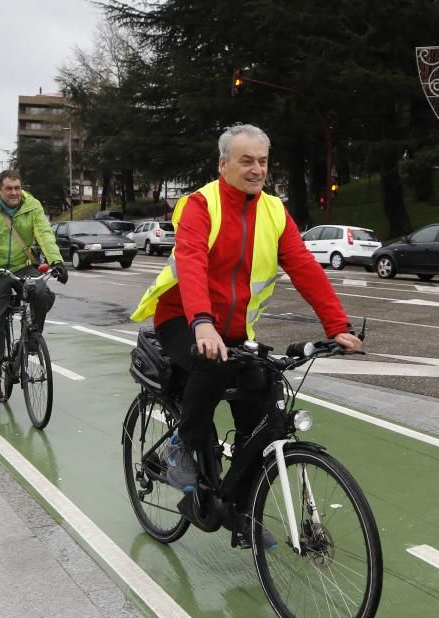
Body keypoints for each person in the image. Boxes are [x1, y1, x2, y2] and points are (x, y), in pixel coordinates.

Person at [131, 123, 361, 492]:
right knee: (213, 364)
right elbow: (191, 264)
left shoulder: (274, 211)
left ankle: (241, 508)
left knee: (266, 392)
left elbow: (304, 267)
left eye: (263, 161)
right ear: (223, 165)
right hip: (182, 319)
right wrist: (202, 324)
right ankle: (181, 447)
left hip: (236, 329)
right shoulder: (201, 205)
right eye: (246, 161)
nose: (257, 169)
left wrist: (337, 325)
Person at [0, 169, 68, 400]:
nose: (14, 193)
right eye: (8, 188)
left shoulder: (31, 205)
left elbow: (44, 233)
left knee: (42, 293)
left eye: (17, 188)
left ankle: (33, 338)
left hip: (23, 265)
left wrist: (57, 261)